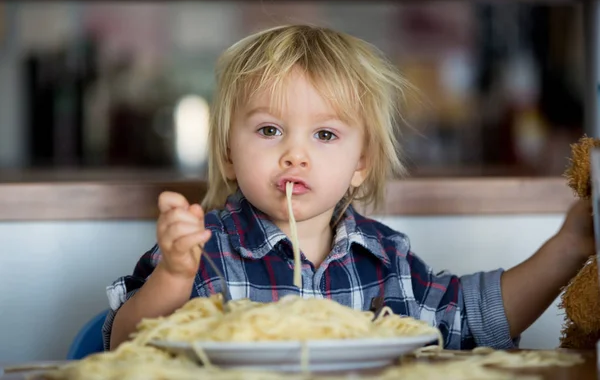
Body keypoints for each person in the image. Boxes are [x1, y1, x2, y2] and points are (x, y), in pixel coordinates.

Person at [102, 24, 594, 351]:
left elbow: (473, 319)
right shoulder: (201, 253)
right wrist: (173, 275)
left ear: (361, 163)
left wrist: (566, 248)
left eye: (325, 134)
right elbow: (124, 342)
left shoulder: (384, 259)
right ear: (229, 153)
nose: (296, 154)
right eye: (270, 130)